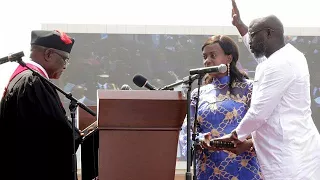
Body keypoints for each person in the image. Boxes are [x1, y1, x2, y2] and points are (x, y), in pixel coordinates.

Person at [216, 1, 320, 179]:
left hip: (289, 158)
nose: (250, 42)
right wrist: (240, 25)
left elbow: (258, 113)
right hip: (292, 151)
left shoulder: (281, 64)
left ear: (269, 34)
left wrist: (235, 136)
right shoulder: (287, 55)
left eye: (254, 35)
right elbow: (259, 55)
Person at [0, 30, 82, 180]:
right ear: (49, 54)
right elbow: (55, 131)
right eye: (65, 59)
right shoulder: (33, 81)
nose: (65, 66)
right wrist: (76, 135)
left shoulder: (23, 78)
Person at [179, 35, 262, 180]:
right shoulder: (198, 93)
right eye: (205, 57)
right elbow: (187, 133)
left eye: (213, 55)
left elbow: (266, 128)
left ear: (229, 59)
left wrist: (248, 143)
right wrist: (200, 139)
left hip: (244, 168)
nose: (207, 61)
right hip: (208, 169)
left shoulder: (249, 88)